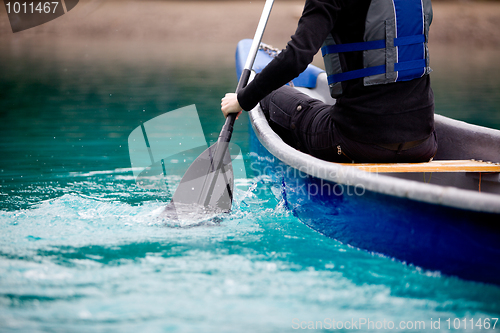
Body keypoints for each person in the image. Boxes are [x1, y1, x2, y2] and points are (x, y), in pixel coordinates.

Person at [221, 0, 437, 163]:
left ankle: (300, 174)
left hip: (355, 141)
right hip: (424, 142)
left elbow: (295, 58)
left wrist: (243, 99)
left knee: (268, 94)